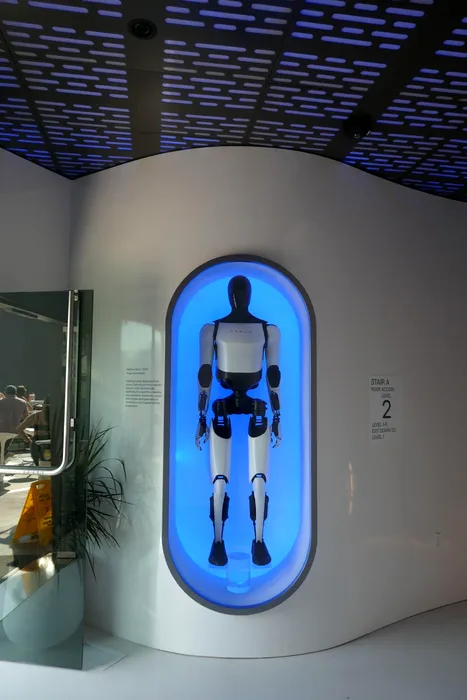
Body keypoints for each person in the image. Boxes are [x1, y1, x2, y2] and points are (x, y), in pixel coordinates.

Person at [17, 396, 51, 466]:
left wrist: (28, 440)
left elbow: (19, 429)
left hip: (37, 444)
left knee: (39, 466)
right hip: (52, 444)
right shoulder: (58, 417)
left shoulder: (35, 416)